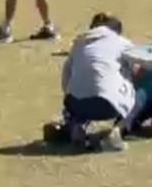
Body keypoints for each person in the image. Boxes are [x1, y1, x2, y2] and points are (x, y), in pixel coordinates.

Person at [56, 13, 135, 152]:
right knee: (134, 87)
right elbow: (137, 71)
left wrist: (69, 103)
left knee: (81, 84)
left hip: (74, 105)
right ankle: (117, 131)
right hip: (107, 106)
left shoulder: (78, 43)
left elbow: (66, 75)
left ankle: (77, 126)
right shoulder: (123, 43)